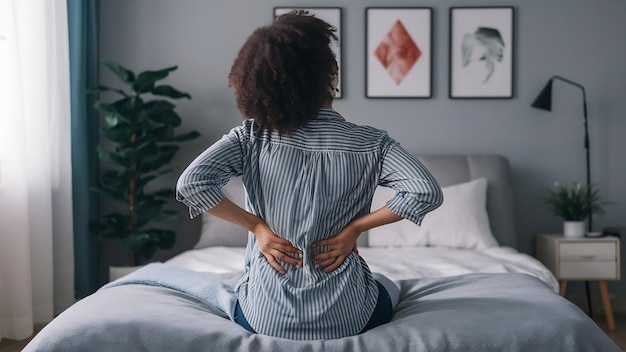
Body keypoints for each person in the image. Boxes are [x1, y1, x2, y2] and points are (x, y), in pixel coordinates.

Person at [176, 10, 443, 340]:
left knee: (237, 290)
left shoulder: (251, 138)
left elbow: (192, 183)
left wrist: (256, 226)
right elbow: (426, 191)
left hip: (265, 319)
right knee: (388, 286)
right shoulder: (371, 143)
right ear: (329, 75)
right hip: (350, 318)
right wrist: (355, 229)